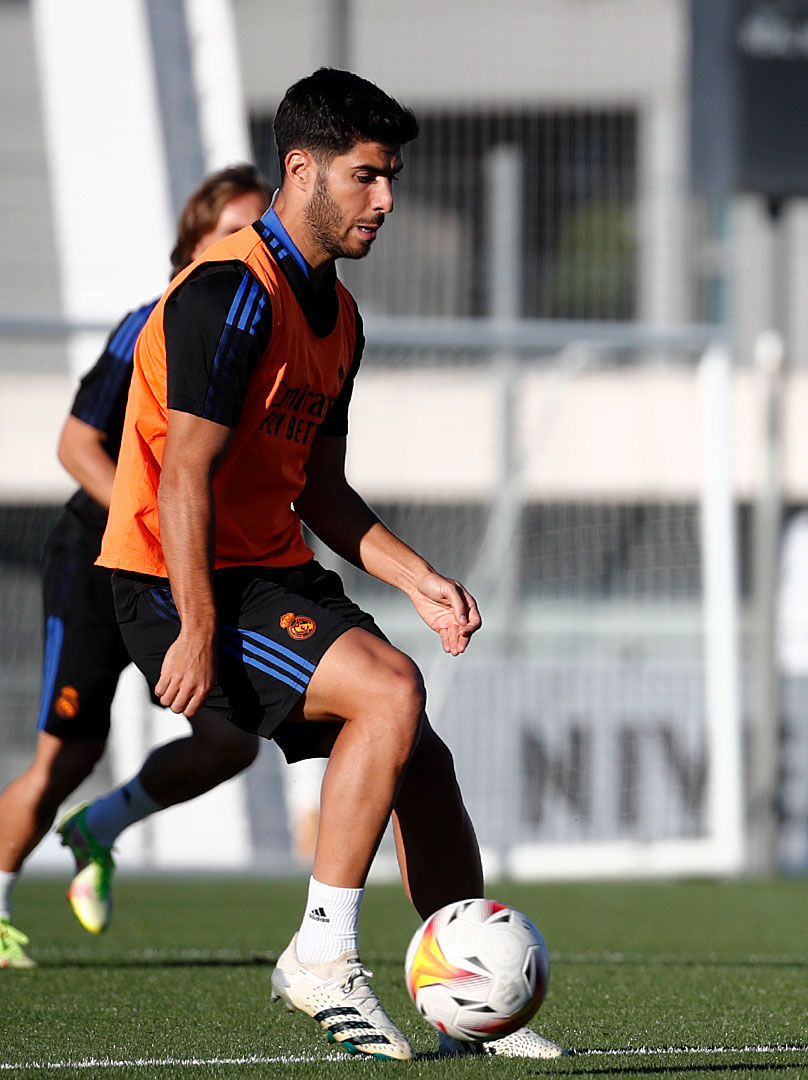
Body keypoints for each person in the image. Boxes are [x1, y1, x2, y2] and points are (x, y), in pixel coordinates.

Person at [94, 69, 559, 1059]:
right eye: (367, 177)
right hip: (172, 579)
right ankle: (321, 956)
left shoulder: (338, 321)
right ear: (301, 169)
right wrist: (198, 626)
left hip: (263, 572)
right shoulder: (231, 293)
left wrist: (420, 578)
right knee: (388, 689)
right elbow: (184, 476)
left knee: (420, 760)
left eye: (390, 178)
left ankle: (465, 1007)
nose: (386, 200)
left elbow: (324, 494)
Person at [0, 165, 270, 970]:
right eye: (234, 230)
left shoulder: (267, 330)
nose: (251, 246)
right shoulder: (149, 322)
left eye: (261, 231)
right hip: (95, 564)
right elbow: (76, 444)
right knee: (65, 755)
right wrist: (145, 514)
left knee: (231, 740)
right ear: (191, 244)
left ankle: (101, 827)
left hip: (178, 569)